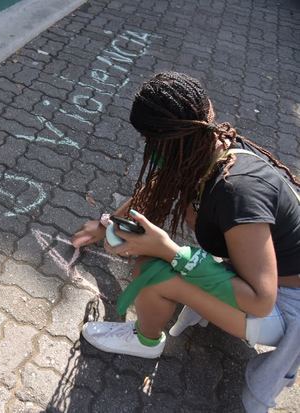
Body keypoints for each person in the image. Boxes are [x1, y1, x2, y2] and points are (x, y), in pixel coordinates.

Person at [72, 72, 300, 409]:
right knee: (161, 261)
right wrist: (106, 223)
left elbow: (260, 300)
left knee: (154, 271)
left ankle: (145, 340)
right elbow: (157, 187)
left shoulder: (237, 191)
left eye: (147, 140)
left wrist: (170, 251)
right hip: (266, 280)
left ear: (163, 144)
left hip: (284, 308)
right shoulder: (207, 148)